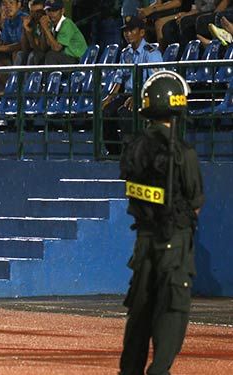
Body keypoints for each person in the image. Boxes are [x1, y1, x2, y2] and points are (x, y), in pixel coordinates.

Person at [118, 70, 205, 375]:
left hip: (143, 243)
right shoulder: (183, 153)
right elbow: (195, 203)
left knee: (140, 314)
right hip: (174, 243)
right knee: (172, 310)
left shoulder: (133, 147)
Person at [102, 15, 162, 155]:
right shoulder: (126, 53)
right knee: (107, 111)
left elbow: (156, 80)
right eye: (125, 31)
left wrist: (138, 96)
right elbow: (119, 77)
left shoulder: (150, 53)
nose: (128, 34)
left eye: (131, 30)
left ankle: (132, 151)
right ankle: (114, 151)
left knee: (125, 113)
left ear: (141, 32)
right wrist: (109, 98)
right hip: (128, 94)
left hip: (146, 95)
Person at [39, 0, 87, 65]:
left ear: (62, 11)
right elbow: (43, 48)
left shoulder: (67, 24)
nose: (51, 13)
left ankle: (50, 75)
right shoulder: (51, 25)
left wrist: (46, 30)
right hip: (65, 58)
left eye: (55, 10)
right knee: (37, 54)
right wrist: (44, 30)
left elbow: (57, 48)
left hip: (77, 61)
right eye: (49, 11)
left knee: (52, 55)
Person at [19, 0, 48, 66]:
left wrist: (44, 28)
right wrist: (25, 29)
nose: (36, 14)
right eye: (32, 12)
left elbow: (42, 48)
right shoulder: (33, 24)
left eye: (39, 11)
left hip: (50, 54)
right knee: (20, 54)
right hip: (38, 52)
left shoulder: (48, 21)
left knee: (33, 55)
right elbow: (25, 48)